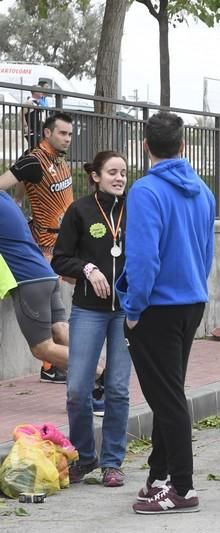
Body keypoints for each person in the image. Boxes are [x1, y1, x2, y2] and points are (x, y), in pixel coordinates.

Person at [116, 112, 215, 514]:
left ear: (145, 146)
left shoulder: (146, 191)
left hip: (156, 305)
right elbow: (206, 253)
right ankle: (159, 476)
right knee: (167, 391)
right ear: (183, 146)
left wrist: (134, 308)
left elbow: (142, 259)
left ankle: (183, 488)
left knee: (168, 397)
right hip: (191, 301)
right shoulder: (203, 191)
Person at [51, 151, 132, 488]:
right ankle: (85, 457)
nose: (119, 178)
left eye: (124, 173)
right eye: (112, 172)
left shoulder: (136, 209)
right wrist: (86, 268)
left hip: (126, 311)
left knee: (117, 389)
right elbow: (59, 259)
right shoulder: (80, 210)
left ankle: (112, 463)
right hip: (88, 310)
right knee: (77, 389)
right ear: (96, 176)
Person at [0, 111, 74, 384]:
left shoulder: (59, 160)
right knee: (52, 319)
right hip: (44, 245)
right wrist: (17, 208)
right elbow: (8, 181)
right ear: (47, 133)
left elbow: (20, 188)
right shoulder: (34, 159)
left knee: (57, 320)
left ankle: (74, 366)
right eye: (62, 133)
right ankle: (57, 366)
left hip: (61, 243)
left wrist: (17, 204)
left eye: (69, 134)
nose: (67, 139)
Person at [0, 190, 69, 373]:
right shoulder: (5, 198)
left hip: (28, 281)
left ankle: (101, 373)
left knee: (42, 347)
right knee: (60, 330)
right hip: (47, 274)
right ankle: (97, 382)